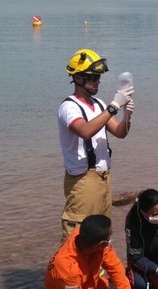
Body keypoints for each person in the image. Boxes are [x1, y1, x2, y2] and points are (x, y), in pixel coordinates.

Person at [58, 48, 135, 240]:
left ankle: (97, 270)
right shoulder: (69, 107)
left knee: (101, 233)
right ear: (77, 78)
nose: (97, 82)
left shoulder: (99, 104)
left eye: (98, 78)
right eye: (92, 78)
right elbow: (85, 131)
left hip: (103, 177)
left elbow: (120, 132)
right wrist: (114, 107)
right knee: (78, 233)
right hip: (83, 180)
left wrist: (127, 115)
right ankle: (70, 270)